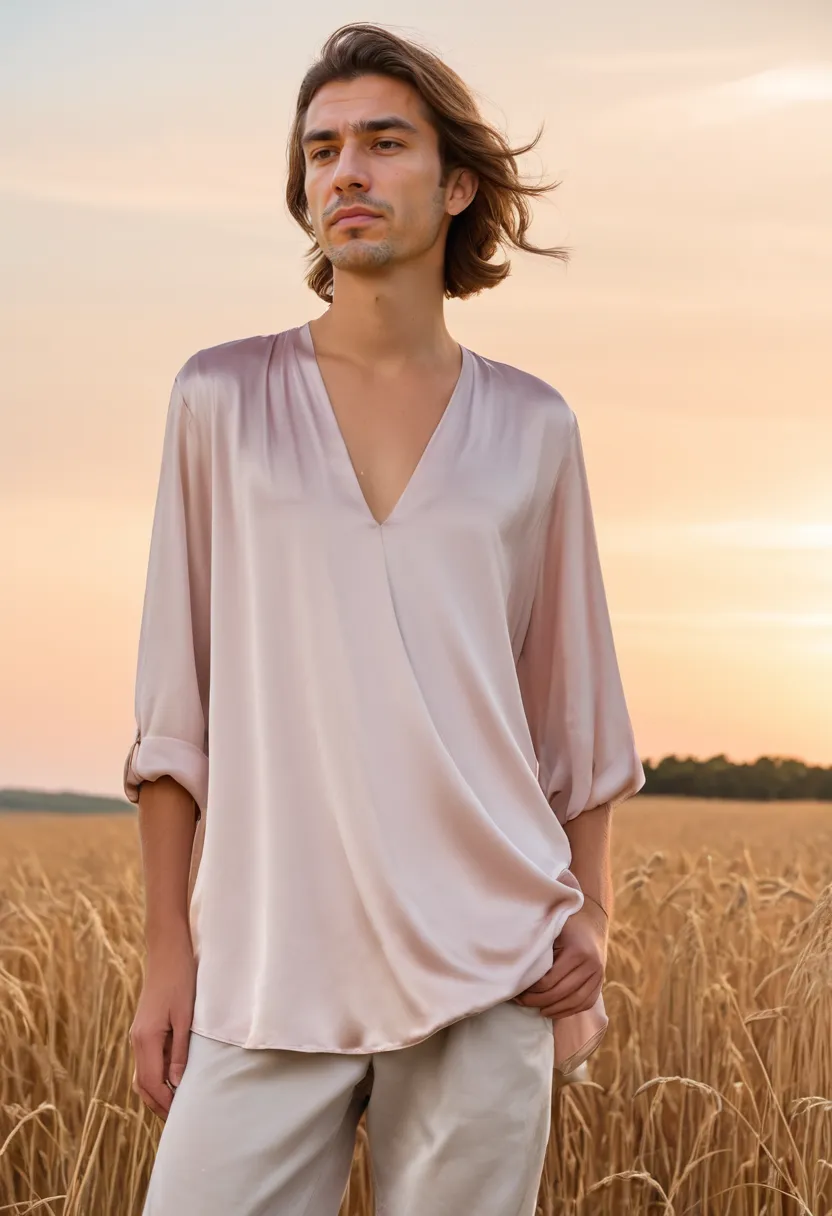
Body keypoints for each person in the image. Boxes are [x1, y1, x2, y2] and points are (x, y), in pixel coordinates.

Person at [123, 21, 645, 1216]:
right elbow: (173, 710)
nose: (343, 172)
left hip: (488, 964)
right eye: (319, 151)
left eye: (381, 142)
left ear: (458, 183)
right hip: (265, 964)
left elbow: (574, 707)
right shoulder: (219, 398)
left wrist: (595, 917)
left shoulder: (534, 427)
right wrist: (169, 954)